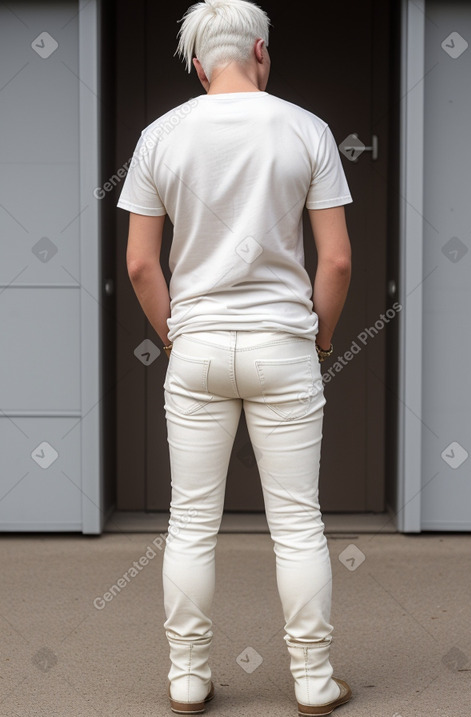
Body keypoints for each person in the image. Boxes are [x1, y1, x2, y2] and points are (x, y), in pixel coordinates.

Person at [117, 0, 353, 714]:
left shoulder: (160, 136)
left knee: (190, 521)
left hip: (198, 349)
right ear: (260, 51)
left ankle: (188, 675)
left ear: (197, 64)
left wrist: (173, 334)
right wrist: (321, 338)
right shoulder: (306, 128)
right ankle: (313, 679)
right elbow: (336, 261)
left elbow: (139, 265)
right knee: (299, 521)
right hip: (284, 345)